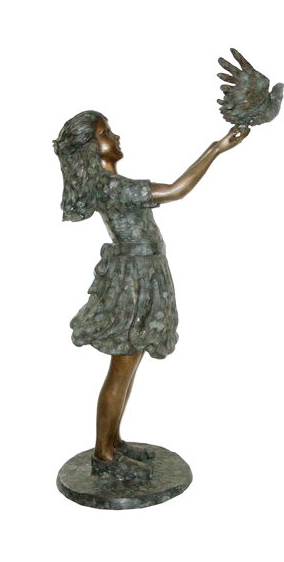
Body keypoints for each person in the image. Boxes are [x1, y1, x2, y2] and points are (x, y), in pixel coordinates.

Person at [53, 110, 249, 480]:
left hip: (145, 273)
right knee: (122, 367)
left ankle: (113, 442)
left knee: (129, 365)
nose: (115, 136)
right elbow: (176, 190)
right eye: (105, 132)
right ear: (91, 147)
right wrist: (215, 149)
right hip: (135, 279)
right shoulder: (110, 187)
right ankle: (103, 454)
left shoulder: (112, 183)